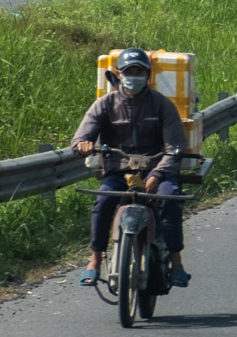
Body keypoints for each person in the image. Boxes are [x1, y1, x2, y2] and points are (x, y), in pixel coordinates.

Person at [72, 48, 190, 288]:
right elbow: (80, 138)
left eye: (139, 71)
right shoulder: (104, 105)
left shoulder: (162, 105)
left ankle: (177, 262)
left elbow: (175, 146)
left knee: (169, 199)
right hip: (119, 173)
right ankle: (94, 260)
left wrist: (158, 174)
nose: (134, 76)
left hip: (158, 172)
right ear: (118, 74)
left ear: (148, 74)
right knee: (103, 202)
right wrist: (83, 144)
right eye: (129, 71)